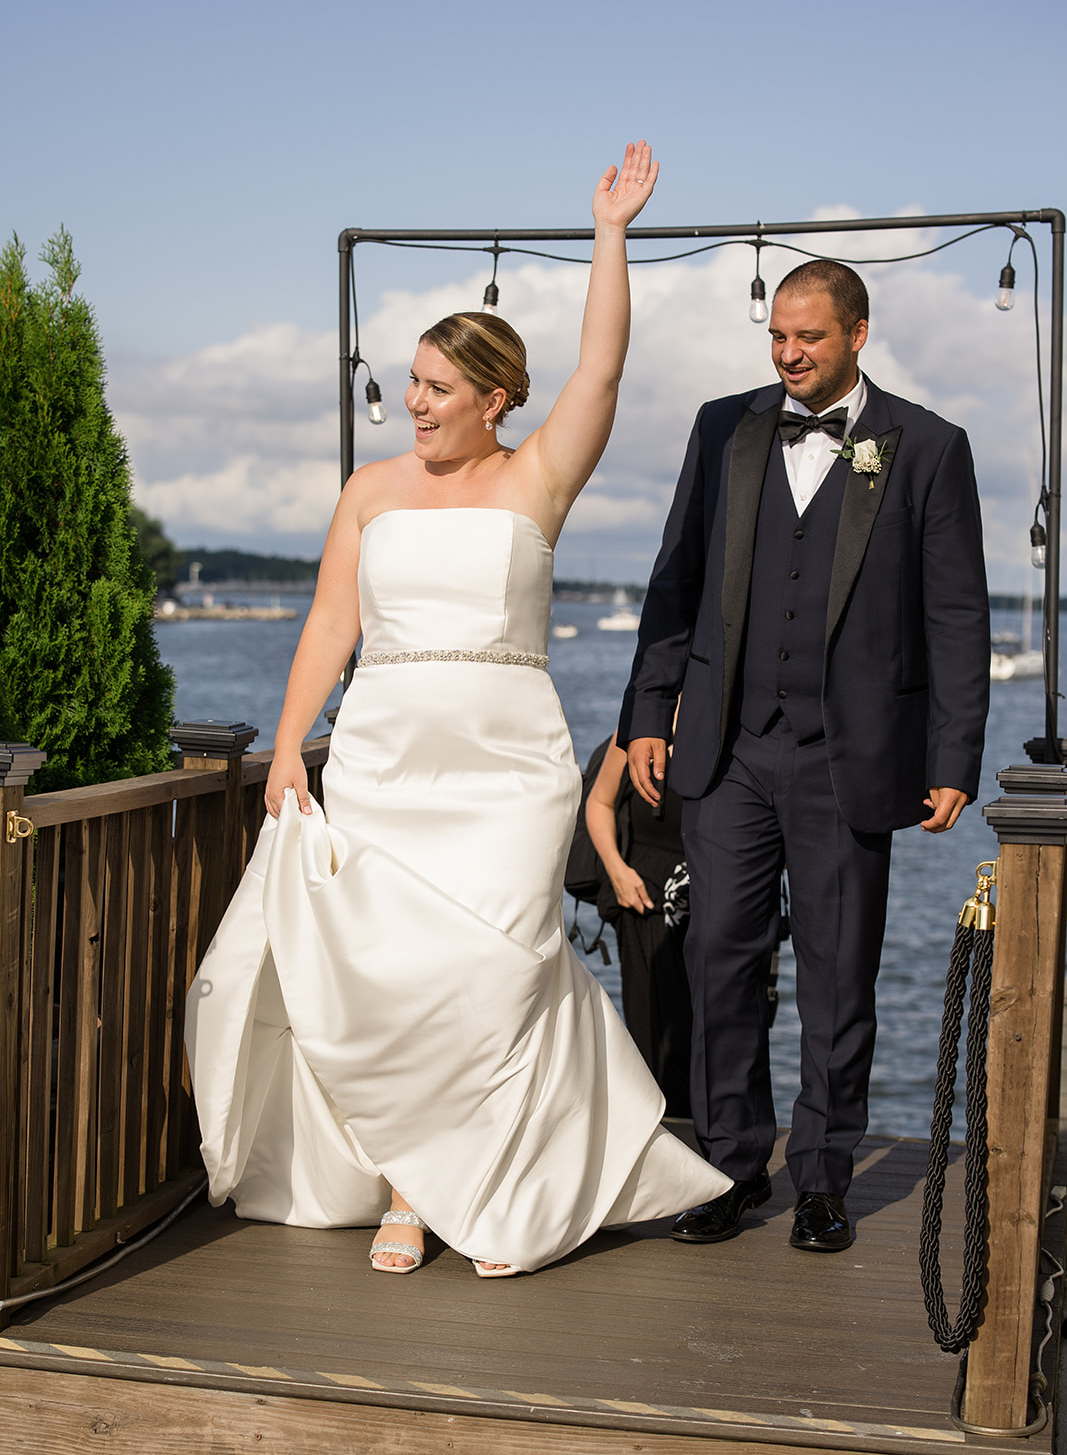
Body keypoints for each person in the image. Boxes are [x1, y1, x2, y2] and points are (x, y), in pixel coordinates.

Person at [185, 142, 733, 1279]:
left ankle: (496, 1186)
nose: (415, 405)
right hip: (385, 767)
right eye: (413, 384)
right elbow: (329, 626)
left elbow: (602, 369)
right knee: (402, 986)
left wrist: (610, 234)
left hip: (505, 776)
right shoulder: (368, 493)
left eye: (438, 389)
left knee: (495, 978)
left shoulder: (538, 477)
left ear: (494, 400)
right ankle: (406, 1190)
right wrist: (289, 745)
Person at [619, 259, 989, 1254]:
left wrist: (953, 752)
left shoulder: (925, 447)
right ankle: (731, 1167)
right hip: (728, 753)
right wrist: (646, 712)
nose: (787, 353)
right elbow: (673, 582)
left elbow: (954, 614)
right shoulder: (720, 426)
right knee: (718, 965)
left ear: (856, 334)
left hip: (847, 760)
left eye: (808, 337)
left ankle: (822, 1182)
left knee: (837, 981)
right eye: (776, 335)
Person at [584, 729, 692, 1118]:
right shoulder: (638, 730)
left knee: (712, 1037)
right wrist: (616, 870)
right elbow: (599, 801)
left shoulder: (736, 723)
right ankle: (664, 1145)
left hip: (711, 898)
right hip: (642, 899)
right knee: (653, 1042)